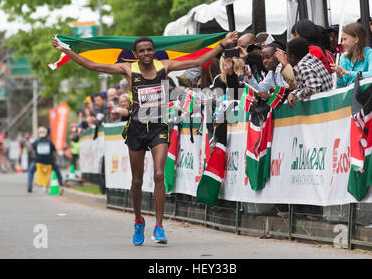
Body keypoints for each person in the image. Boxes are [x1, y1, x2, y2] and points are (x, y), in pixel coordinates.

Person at [52, 31, 238, 246]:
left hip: (159, 125)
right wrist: (66, 50)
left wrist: (222, 45)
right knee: (137, 180)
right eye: (142, 51)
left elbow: (197, 60)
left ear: (153, 51)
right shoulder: (127, 69)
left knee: (159, 174)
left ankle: (159, 226)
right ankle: (138, 221)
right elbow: (92, 66)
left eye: (150, 49)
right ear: (136, 54)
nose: (147, 53)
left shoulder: (164, 66)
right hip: (137, 127)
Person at [285, 38, 333, 107]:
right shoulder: (312, 58)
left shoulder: (302, 66)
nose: (287, 59)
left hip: (323, 107)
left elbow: (313, 88)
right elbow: (305, 86)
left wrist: (297, 96)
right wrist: (293, 93)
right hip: (329, 102)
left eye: (287, 56)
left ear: (292, 57)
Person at [331, 22, 372, 88]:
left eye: (345, 39)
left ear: (356, 39)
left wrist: (349, 73)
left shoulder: (371, 53)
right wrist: (339, 78)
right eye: (342, 40)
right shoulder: (343, 56)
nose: (342, 43)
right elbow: (340, 88)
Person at [27, 126, 64, 193]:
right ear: (46, 134)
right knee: (57, 169)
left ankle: (29, 186)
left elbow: (32, 151)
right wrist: (53, 160)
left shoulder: (36, 142)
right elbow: (54, 153)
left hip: (38, 162)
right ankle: (61, 184)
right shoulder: (50, 143)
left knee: (30, 171)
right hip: (49, 162)